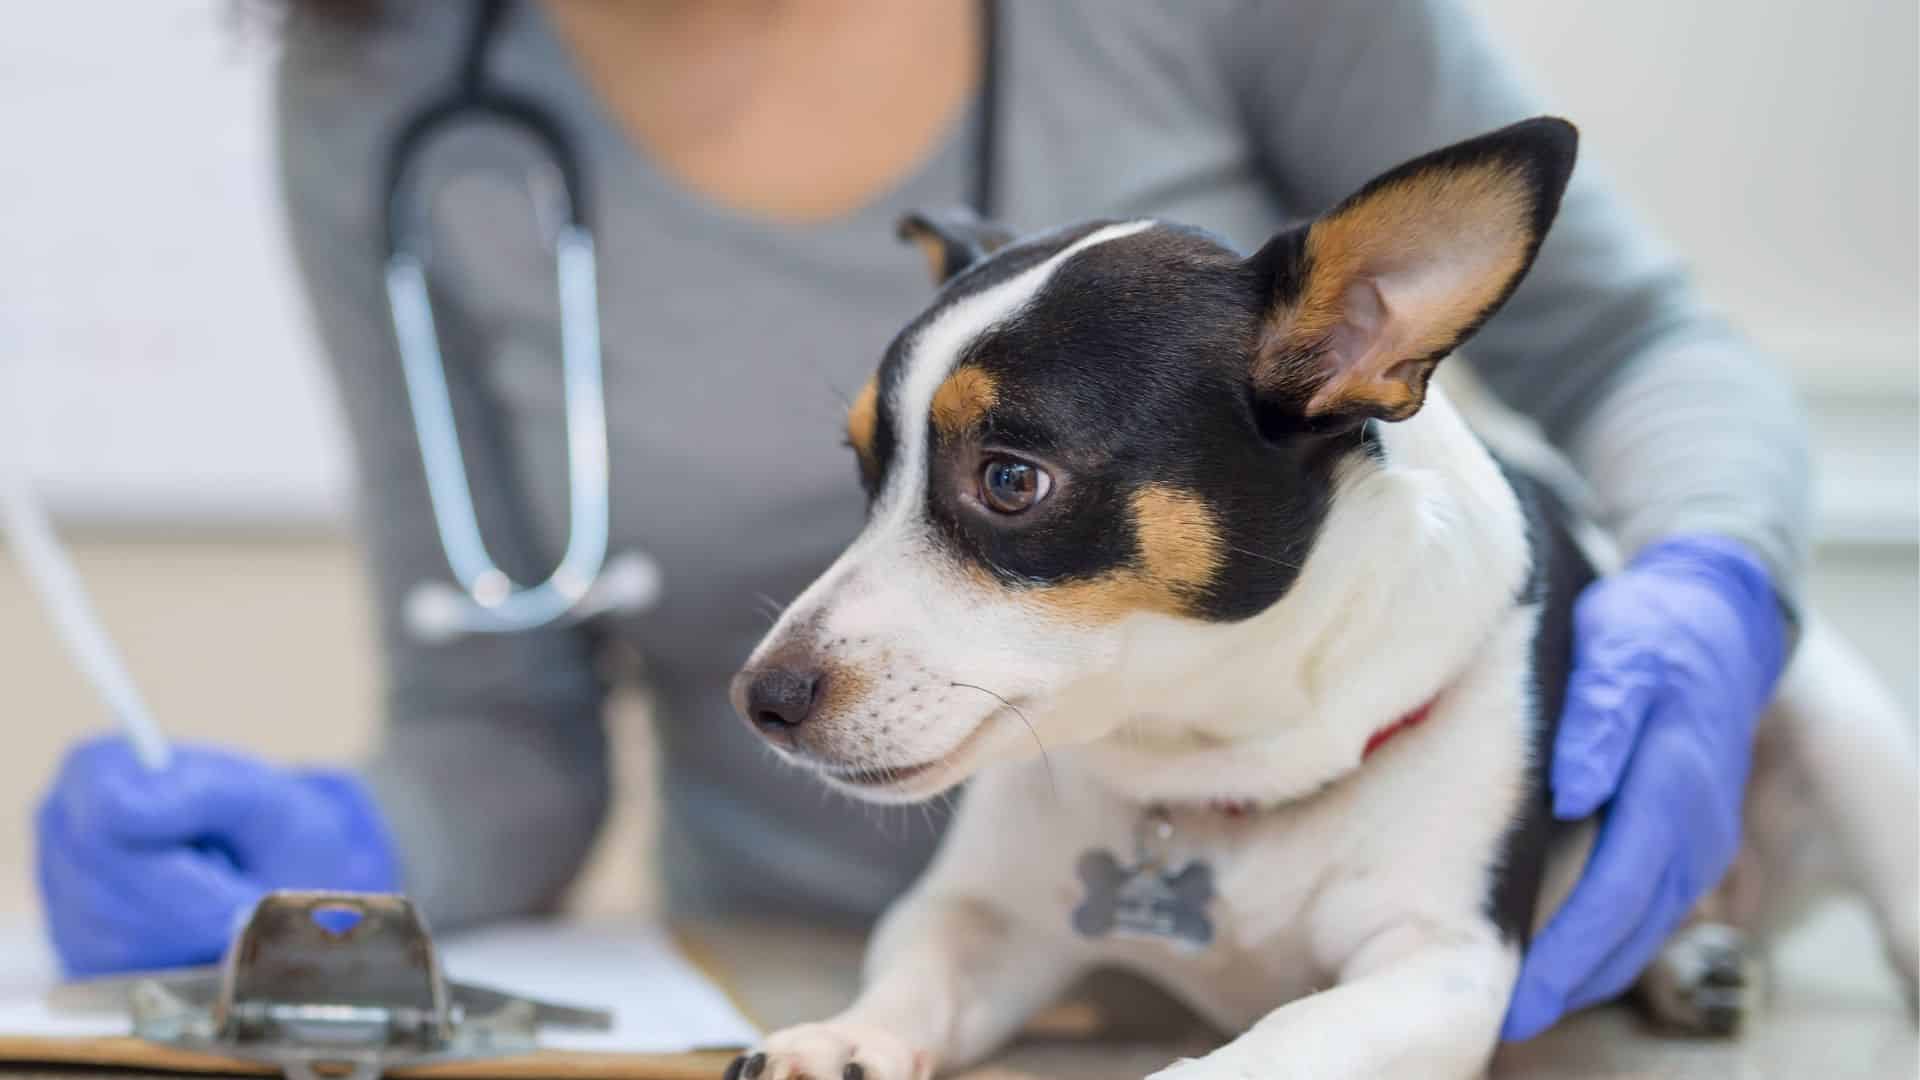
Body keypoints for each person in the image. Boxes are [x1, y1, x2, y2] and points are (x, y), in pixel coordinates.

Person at [35, 0, 1803, 1041]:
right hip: (792, 982)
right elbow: (497, 720)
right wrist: (330, 854)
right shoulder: (388, 68)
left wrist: (1716, 583)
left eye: (1006, 481)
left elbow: (1642, 344)